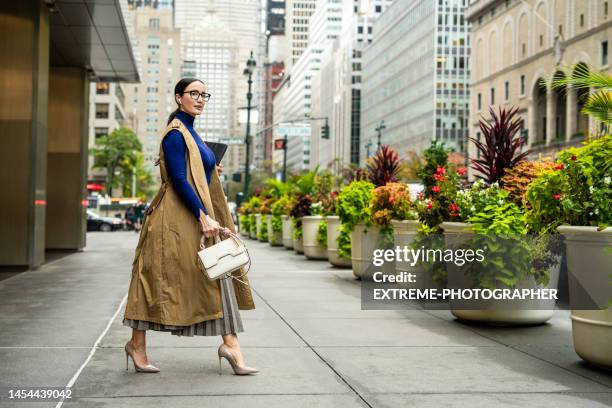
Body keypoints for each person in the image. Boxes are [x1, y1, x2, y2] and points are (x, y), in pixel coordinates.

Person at [122, 78, 258, 375]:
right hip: (176, 219)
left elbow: (194, 171)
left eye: (203, 94)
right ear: (178, 97)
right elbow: (179, 179)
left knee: (218, 272)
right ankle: (137, 344)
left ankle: (231, 346)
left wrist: (210, 167)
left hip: (192, 218)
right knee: (155, 280)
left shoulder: (192, 133)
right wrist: (202, 214)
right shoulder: (175, 134)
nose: (199, 99)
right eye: (193, 94)